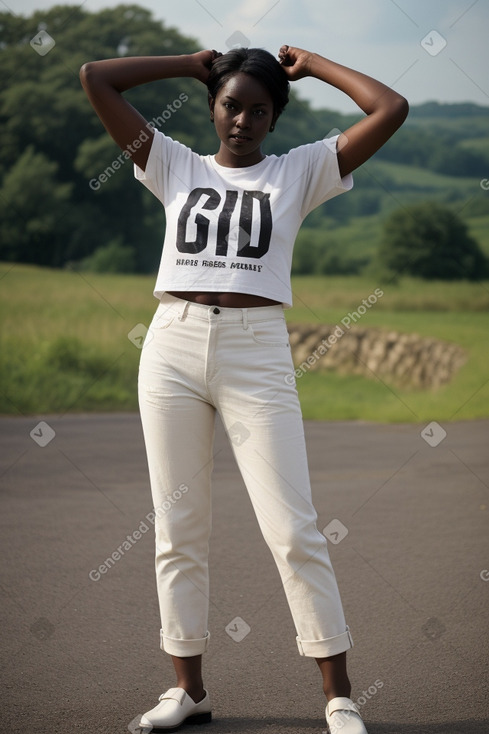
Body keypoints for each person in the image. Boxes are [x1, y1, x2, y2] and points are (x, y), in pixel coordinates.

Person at [80, 43, 408, 734]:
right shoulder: (171, 162)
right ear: (211, 106)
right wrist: (187, 63)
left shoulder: (301, 171)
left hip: (256, 353)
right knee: (177, 528)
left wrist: (313, 64)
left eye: (258, 111)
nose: (242, 121)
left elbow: (390, 108)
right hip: (170, 345)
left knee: (293, 530)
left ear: (273, 119)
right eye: (231, 105)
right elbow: (96, 78)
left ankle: (338, 696)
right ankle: (187, 691)